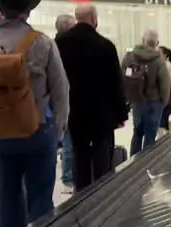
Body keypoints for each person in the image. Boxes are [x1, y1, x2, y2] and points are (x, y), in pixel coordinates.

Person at [0, 0, 69, 227]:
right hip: (38, 130)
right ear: (28, 10)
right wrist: (59, 130)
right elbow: (60, 90)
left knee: (6, 194)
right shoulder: (42, 42)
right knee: (40, 196)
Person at [54, 3, 124, 191]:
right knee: (102, 155)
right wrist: (120, 114)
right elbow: (115, 83)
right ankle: (102, 191)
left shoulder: (60, 44)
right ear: (94, 19)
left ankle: (81, 192)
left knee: (80, 154)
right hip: (102, 113)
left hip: (74, 110)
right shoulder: (105, 45)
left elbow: (55, 80)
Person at [122, 29, 171, 155]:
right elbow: (165, 85)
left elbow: (122, 77)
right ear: (157, 43)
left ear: (142, 41)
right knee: (150, 136)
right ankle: (146, 166)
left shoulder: (130, 56)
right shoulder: (158, 60)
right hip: (154, 102)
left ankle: (132, 162)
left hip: (137, 100)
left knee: (137, 133)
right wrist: (163, 102)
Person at [54, 12, 76, 191]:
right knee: (69, 141)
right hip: (67, 100)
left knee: (66, 139)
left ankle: (68, 175)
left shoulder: (53, 45)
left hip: (57, 100)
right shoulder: (67, 47)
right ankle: (68, 176)